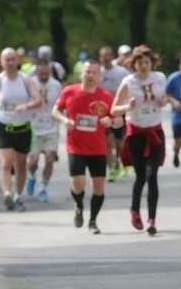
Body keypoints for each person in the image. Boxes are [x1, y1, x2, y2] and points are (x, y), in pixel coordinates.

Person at [53, 59, 115, 234]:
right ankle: (79, 205)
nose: (91, 75)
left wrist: (110, 121)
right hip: (76, 146)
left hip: (97, 148)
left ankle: (93, 221)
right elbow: (55, 111)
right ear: (81, 73)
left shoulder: (106, 96)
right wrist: (65, 120)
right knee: (78, 184)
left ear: (99, 76)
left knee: (98, 187)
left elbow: (117, 120)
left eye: (94, 72)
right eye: (88, 71)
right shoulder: (69, 91)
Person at [0, 47, 42, 211]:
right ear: (2, 62)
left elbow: (38, 100)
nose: (11, 63)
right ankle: (7, 194)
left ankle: (18, 196)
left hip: (23, 127)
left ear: (18, 61)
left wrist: (26, 106)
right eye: (7, 60)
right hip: (4, 126)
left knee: (20, 165)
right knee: (5, 163)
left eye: (13, 59)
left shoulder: (25, 80)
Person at [112, 45, 166, 236]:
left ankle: (152, 219)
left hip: (155, 132)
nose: (144, 66)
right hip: (136, 134)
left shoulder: (160, 78)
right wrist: (128, 106)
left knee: (152, 176)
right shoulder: (128, 81)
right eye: (140, 63)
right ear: (134, 64)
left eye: (147, 62)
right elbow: (114, 109)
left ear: (152, 63)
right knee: (141, 176)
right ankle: (134, 210)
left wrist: (163, 101)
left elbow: (164, 99)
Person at [26, 60, 63, 202]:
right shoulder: (30, 83)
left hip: (51, 127)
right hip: (33, 127)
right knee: (33, 161)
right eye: (41, 74)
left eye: (46, 74)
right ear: (36, 72)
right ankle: (31, 176)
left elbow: (61, 105)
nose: (43, 76)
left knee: (49, 159)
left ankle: (43, 188)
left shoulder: (56, 85)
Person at [98, 46, 130, 182]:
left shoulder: (122, 72)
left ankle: (117, 160)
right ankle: (111, 169)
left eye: (108, 55)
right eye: (103, 56)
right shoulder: (97, 72)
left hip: (118, 110)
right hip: (102, 112)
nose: (106, 58)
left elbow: (129, 89)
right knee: (107, 142)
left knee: (120, 142)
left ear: (112, 56)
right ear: (100, 58)